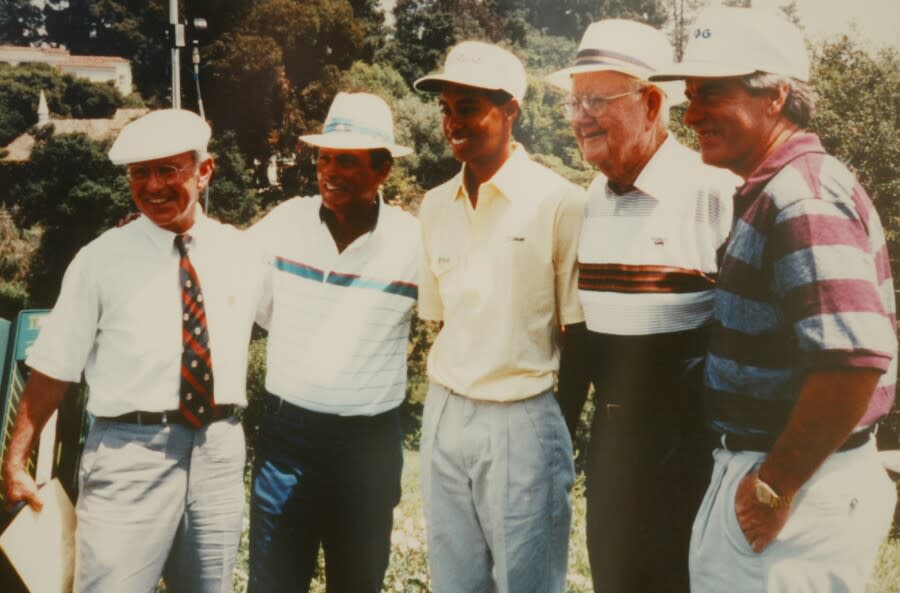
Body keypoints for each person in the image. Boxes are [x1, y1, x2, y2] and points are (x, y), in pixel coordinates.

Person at [650, 7, 897, 593]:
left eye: (712, 93)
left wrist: (774, 486)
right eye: (689, 96)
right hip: (784, 476)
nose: (693, 114)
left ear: (777, 95)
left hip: (799, 492)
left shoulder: (801, 197)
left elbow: (854, 361)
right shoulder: (780, 190)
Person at [0, 108, 268, 593]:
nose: (153, 186)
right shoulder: (101, 259)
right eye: (139, 173)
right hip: (128, 452)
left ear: (204, 171)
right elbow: (54, 367)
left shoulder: (243, 253)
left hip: (218, 453)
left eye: (169, 170)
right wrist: (15, 461)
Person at [546, 19, 738, 593]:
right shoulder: (591, 203)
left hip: (692, 454)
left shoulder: (715, 192)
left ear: (652, 104)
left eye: (597, 100)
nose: (581, 116)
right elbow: (581, 341)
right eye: (575, 101)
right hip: (611, 452)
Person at [413, 41, 585, 593]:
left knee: (528, 584)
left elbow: (577, 331)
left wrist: (548, 426)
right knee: (454, 581)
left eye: (467, 107)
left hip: (523, 413)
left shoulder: (559, 202)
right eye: (446, 108)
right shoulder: (435, 205)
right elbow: (442, 319)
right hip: (446, 409)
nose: (452, 122)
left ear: (510, 109)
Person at [246, 92, 419, 593]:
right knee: (273, 582)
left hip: (368, 448)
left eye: (347, 160)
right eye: (324, 157)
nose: (330, 171)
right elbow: (225, 275)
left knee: (357, 583)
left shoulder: (414, 241)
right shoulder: (285, 223)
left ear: (382, 169)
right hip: (287, 440)